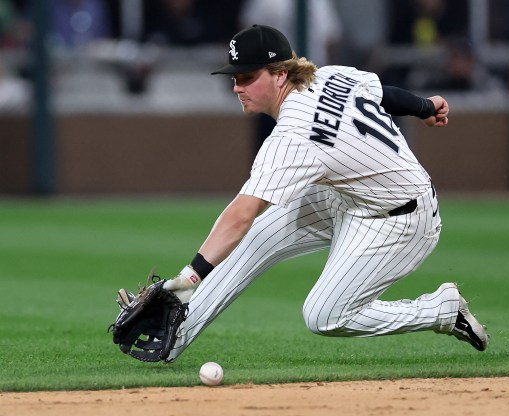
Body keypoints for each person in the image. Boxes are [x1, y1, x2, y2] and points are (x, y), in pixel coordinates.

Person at [155, 24, 489, 361]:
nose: (237, 87)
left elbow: (241, 214)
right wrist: (425, 107)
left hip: (401, 219)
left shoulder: (293, 135)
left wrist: (190, 275)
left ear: (280, 74)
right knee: (258, 237)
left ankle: (440, 311)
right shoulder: (328, 75)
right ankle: (176, 336)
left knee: (324, 316)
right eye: (235, 77)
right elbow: (382, 93)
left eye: (247, 77)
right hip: (350, 194)